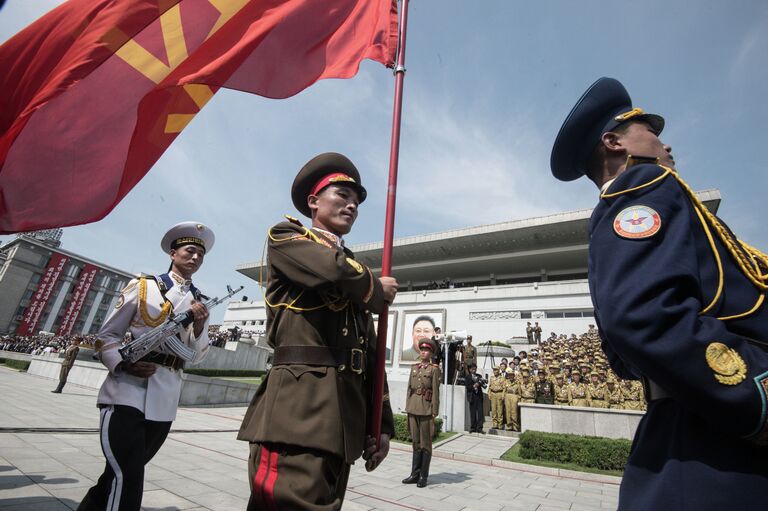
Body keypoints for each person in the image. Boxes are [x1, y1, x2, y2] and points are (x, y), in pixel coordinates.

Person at [551, 77, 768, 509]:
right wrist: (757, 395)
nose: (667, 146)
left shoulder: (623, 207)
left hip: (693, 428)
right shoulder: (647, 185)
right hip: (720, 436)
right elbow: (642, 317)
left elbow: (623, 355)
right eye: (652, 134)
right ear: (613, 142)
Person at [237, 153, 398, 510]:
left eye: (356, 201)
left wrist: (381, 424)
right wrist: (375, 287)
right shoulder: (287, 238)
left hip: (341, 425)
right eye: (342, 195)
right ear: (314, 201)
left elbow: (369, 354)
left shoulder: (355, 271)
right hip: (297, 414)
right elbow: (330, 271)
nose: (352, 205)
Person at [78, 222, 213, 511]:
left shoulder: (198, 301)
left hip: (164, 397)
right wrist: (123, 365)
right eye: (190, 251)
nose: (195, 258)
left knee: (118, 475)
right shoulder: (144, 287)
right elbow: (107, 336)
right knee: (128, 475)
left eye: (201, 255)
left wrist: (200, 326)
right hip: (127, 390)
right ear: (173, 253)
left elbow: (197, 355)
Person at [402, 338, 440, 488]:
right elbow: (409, 390)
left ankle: (423, 476)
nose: (424, 352)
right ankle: (414, 474)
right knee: (415, 443)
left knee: (425, 444)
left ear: (431, 353)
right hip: (413, 408)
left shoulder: (434, 369)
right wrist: (407, 407)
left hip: (426, 409)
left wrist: (434, 411)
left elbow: (436, 392)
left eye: (427, 350)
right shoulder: (414, 368)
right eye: (422, 349)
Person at [465, 363, 485, 433]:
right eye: (473, 369)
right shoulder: (467, 377)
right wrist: (474, 386)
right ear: (470, 370)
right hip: (472, 396)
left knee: (480, 413)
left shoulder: (479, 376)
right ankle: (473, 427)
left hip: (479, 396)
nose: (474, 370)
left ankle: (480, 428)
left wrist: (480, 383)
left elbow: (483, 384)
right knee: (472, 412)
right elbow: (468, 387)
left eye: (475, 369)